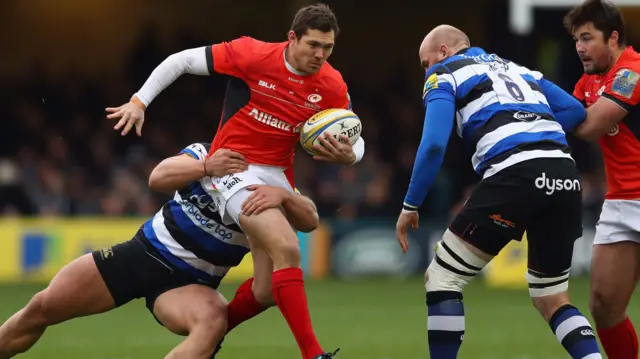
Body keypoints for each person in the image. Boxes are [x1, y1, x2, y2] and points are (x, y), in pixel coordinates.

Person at [105, 4, 364, 359]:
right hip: (233, 165)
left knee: (265, 291)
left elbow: (355, 134)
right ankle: (313, 354)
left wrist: (351, 156)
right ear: (292, 38)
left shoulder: (331, 84)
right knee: (288, 247)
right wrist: (139, 101)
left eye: (328, 48)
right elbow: (180, 61)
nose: (320, 55)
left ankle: (210, 335)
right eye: (313, 45)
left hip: (278, 173)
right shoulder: (252, 54)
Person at [395, 25, 602, 359]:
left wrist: (410, 204)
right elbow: (575, 111)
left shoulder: (444, 73)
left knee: (442, 277)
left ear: (445, 51)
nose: (426, 71)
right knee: (552, 297)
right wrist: (531, 126)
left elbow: (433, 144)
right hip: (564, 174)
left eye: (425, 62)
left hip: (514, 173)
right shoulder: (521, 71)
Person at [0, 144, 320, 359]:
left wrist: (284, 196)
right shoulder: (208, 151)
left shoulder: (276, 186)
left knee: (212, 320)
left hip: (190, 285)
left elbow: (310, 219)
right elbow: (158, 176)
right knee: (41, 308)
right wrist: (207, 166)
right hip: (141, 255)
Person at [564, 1, 640, 358]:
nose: (579, 47)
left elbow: (590, 126)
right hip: (621, 200)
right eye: (576, 39)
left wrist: (573, 115)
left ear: (613, 38)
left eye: (587, 38)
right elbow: (561, 122)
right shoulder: (589, 80)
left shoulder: (632, 71)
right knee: (603, 305)